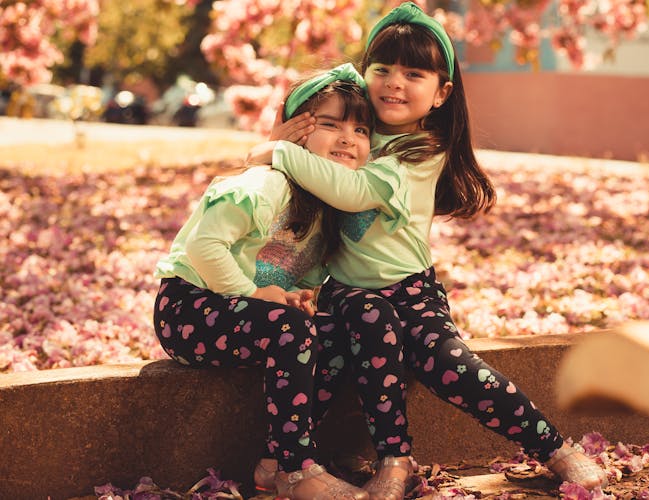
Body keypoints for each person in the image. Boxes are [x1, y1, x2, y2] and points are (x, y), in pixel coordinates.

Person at [248, 3, 609, 498]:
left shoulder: (422, 152)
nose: (394, 82)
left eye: (413, 73)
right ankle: (363, 461)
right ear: (364, 75)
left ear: (441, 93)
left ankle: (555, 449)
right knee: (330, 359)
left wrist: (278, 150)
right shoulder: (355, 135)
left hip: (412, 294)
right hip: (349, 296)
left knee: (452, 367)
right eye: (383, 69)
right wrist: (288, 139)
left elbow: (353, 194)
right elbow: (296, 202)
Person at [152, 63, 376, 500]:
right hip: (188, 309)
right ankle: (297, 471)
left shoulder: (329, 210)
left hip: (249, 314)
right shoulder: (266, 185)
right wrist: (252, 294)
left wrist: (297, 297)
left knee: (336, 333)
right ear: (294, 133)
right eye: (329, 124)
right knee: (290, 328)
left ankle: (276, 461)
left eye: (361, 129)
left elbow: (298, 276)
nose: (348, 138)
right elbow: (204, 246)